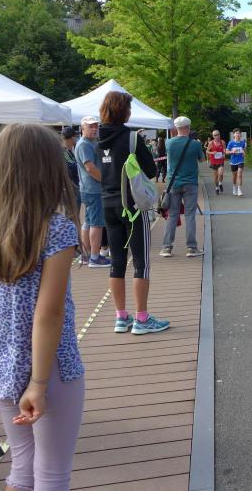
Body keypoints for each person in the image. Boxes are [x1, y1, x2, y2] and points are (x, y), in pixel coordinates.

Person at [0, 124, 85, 490]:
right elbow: (48, 313)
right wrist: (38, 383)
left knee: (22, 466)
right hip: (50, 366)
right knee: (52, 472)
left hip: (0, 362)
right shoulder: (56, 229)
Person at [98, 91, 168, 335]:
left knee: (116, 263)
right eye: (128, 108)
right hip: (132, 206)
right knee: (141, 263)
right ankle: (142, 318)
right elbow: (150, 170)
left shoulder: (97, 138)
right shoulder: (131, 138)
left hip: (108, 204)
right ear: (123, 111)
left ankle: (121, 317)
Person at [160, 116, 205, 258]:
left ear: (176, 128)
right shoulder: (195, 144)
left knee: (172, 215)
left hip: (173, 183)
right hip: (190, 183)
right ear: (188, 128)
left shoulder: (169, 143)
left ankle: (167, 248)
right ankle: (191, 248)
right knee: (190, 215)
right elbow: (202, 159)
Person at [75, 115, 111, 268]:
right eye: (90, 126)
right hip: (94, 189)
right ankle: (95, 258)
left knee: (88, 222)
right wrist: (106, 181)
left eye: (96, 126)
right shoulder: (84, 144)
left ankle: (86, 256)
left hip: (89, 188)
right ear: (82, 128)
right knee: (97, 223)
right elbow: (90, 168)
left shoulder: (89, 143)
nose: (94, 129)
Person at [226, 129, 246, 197]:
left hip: (241, 160)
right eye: (236, 133)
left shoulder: (242, 143)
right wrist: (232, 152)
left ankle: (239, 190)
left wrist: (244, 153)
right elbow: (226, 152)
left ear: (240, 135)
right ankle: (234, 187)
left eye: (239, 133)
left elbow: (244, 151)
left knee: (239, 174)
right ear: (234, 135)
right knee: (234, 176)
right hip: (233, 161)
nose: (238, 134)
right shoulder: (231, 143)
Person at [207, 130, 226, 194]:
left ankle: (220, 183)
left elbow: (224, 149)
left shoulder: (222, 142)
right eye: (215, 135)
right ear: (213, 136)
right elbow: (207, 151)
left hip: (220, 160)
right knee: (215, 176)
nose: (217, 136)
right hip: (214, 161)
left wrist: (224, 154)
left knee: (221, 173)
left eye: (218, 134)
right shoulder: (211, 143)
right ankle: (217, 187)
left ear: (219, 135)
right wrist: (212, 152)